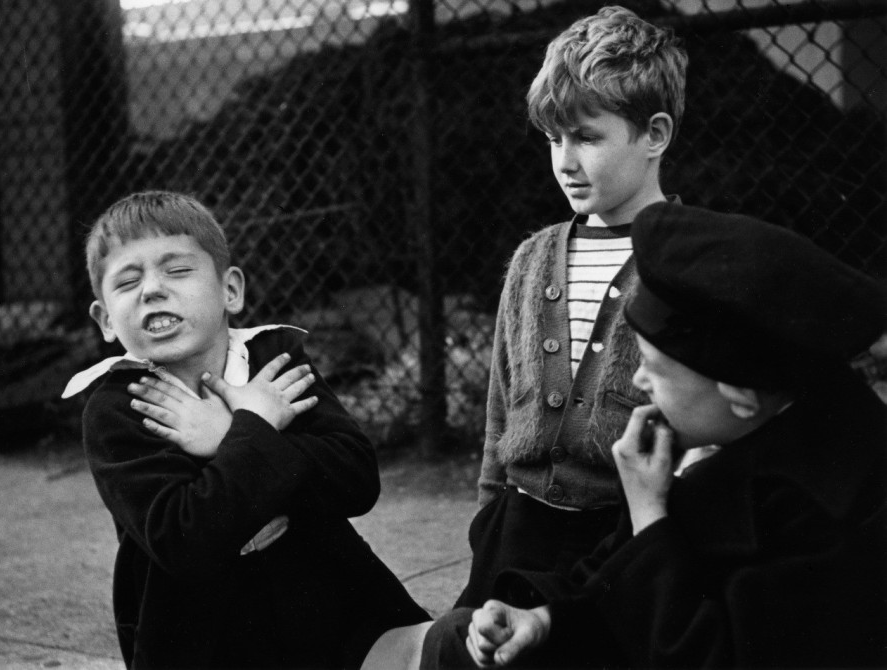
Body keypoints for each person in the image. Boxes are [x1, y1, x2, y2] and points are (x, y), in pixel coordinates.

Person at [450, 201, 887, 668]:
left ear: (739, 394)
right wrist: (547, 619)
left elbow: (708, 654)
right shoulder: (736, 431)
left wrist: (649, 519)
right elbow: (616, 585)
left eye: (654, 371)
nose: (639, 383)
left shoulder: (831, 516)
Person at [62, 190, 430, 670]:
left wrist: (226, 434)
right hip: (208, 638)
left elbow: (357, 480)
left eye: (176, 270)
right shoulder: (120, 407)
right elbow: (184, 539)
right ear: (106, 319)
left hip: (335, 606)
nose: (152, 289)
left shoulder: (272, 362)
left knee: (454, 649)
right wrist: (253, 429)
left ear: (230, 289)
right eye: (128, 281)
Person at [454, 4, 688, 613]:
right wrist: (487, 520)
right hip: (519, 524)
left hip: (621, 530)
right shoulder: (534, 260)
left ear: (655, 135)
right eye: (554, 139)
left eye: (587, 137)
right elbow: (501, 404)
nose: (564, 161)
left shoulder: (688, 259)